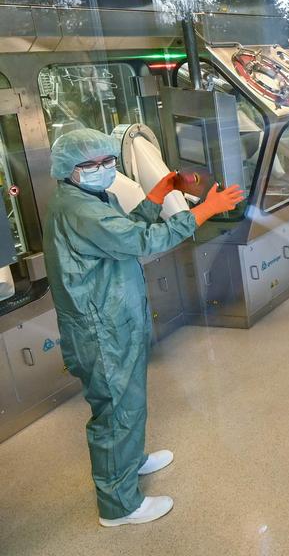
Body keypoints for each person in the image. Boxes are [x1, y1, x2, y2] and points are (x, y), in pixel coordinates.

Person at [43, 128, 244, 527]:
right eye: (91, 164)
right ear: (68, 169)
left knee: (126, 402)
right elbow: (142, 241)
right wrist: (205, 210)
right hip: (100, 327)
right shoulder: (80, 210)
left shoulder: (91, 198)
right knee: (117, 410)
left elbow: (124, 232)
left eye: (107, 161)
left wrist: (157, 195)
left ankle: (129, 461)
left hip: (113, 318)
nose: (102, 169)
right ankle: (119, 506)